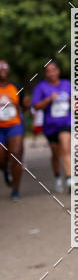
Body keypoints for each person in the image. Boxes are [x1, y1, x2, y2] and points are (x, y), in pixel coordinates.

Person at [31, 61, 72, 193]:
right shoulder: (41, 87)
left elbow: (76, 100)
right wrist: (49, 99)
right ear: (45, 74)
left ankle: (69, 179)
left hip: (66, 123)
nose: (51, 73)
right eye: (48, 71)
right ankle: (57, 177)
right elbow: (36, 106)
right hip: (50, 126)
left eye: (53, 70)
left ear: (58, 71)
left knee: (65, 148)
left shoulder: (66, 84)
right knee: (55, 154)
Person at [0, 60, 25, 201]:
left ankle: (15, 190)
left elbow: (24, 106)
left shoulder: (15, 86)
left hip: (14, 125)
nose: (2, 69)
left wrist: (26, 104)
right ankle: (6, 170)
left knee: (15, 154)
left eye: (5, 67)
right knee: (1, 159)